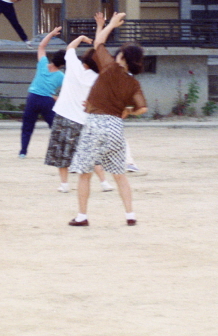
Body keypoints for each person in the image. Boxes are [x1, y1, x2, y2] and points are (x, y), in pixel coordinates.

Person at [68, 12, 147, 227]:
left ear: (121, 57)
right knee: (120, 175)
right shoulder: (133, 84)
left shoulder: (110, 68)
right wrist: (128, 111)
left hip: (95, 124)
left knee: (85, 174)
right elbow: (142, 108)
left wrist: (110, 24)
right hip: (115, 127)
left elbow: (99, 43)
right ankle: (130, 215)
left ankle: (82, 216)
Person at [44, 12, 112, 193]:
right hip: (84, 119)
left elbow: (70, 48)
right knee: (91, 153)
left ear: (85, 62)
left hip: (64, 114)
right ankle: (104, 182)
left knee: (61, 151)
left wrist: (81, 37)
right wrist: (100, 27)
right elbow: (100, 49)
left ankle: (64, 184)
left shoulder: (73, 66)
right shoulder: (98, 78)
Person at [19, 26, 65, 158]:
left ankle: (23, 152)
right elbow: (68, 91)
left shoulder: (43, 64)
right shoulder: (61, 76)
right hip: (47, 101)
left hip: (33, 98)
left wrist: (51, 34)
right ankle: (59, 151)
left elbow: (41, 46)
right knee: (55, 127)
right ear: (62, 64)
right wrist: (56, 98)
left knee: (27, 126)